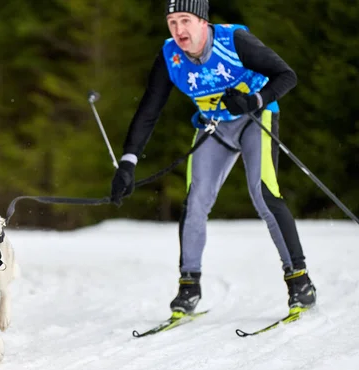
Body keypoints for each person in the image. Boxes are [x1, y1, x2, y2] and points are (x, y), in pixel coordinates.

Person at [110, 0, 316, 315]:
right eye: (172, 22)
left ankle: (299, 280)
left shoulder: (234, 41)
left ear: (203, 22)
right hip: (215, 126)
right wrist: (128, 162)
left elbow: (286, 75)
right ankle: (188, 286)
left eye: (185, 20)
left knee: (262, 193)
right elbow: (148, 111)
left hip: (255, 119)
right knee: (195, 201)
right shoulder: (170, 56)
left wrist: (254, 100)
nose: (179, 30)